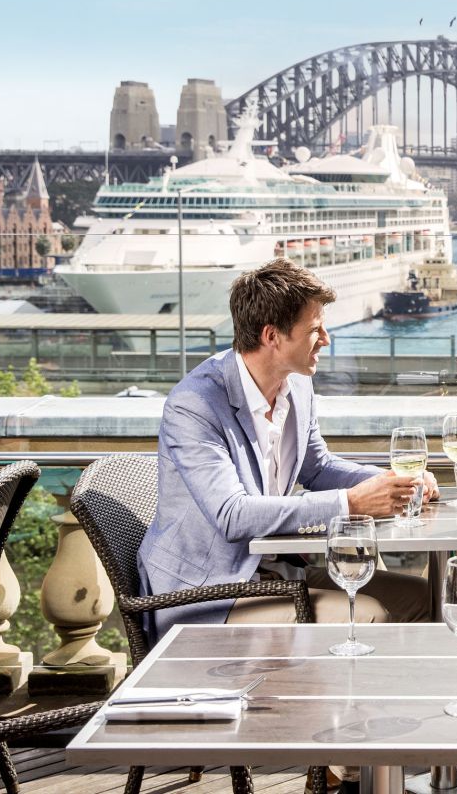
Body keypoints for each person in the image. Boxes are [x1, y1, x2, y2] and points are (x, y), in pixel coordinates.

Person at [138, 259, 434, 640]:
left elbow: (317, 467)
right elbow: (232, 516)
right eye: (314, 329)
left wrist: (394, 482)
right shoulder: (195, 404)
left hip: (277, 573)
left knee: (423, 597)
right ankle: (342, 700)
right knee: (369, 614)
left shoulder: (297, 385)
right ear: (272, 336)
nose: (326, 338)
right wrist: (351, 504)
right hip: (209, 592)